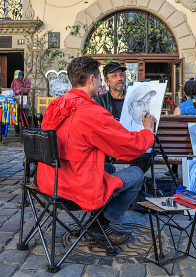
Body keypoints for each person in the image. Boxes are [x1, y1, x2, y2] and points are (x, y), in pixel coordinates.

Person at [37, 56, 156, 245]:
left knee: (108, 169)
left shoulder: (55, 105)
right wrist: (148, 132)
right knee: (136, 175)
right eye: (100, 78)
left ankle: (97, 220)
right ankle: (105, 223)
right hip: (78, 186)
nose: (101, 83)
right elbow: (127, 147)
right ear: (92, 79)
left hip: (51, 180)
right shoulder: (92, 112)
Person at [95, 62, 151, 173]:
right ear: (107, 82)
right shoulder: (101, 100)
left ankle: (131, 180)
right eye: (114, 76)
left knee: (145, 155)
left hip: (131, 140)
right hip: (111, 142)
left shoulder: (134, 98)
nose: (119, 78)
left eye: (121, 75)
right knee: (100, 158)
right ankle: (115, 182)